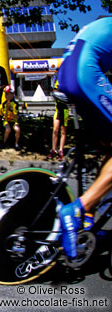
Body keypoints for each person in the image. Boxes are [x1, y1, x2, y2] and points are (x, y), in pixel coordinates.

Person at [56, 17, 112, 260]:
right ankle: (78, 209)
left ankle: (88, 215)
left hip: (67, 74)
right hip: (84, 73)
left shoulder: (100, 25)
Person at [47, 79, 68, 161]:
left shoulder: (67, 82)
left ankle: (61, 150)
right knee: (55, 130)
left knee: (63, 131)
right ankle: (53, 149)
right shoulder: (57, 81)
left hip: (65, 109)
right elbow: (55, 92)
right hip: (58, 109)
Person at [0, 86, 21, 150]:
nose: (6, 95)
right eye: (6, 94)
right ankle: (4, 142)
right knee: (8, 130)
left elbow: (16, 116)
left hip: (14, 121)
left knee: (17, 129)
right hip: (6, 120)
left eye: (8, 94)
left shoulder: (15, 104)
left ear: (12, 94)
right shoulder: (3, 104)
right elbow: (4, 116)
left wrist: (11, 109)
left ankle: (16, 144)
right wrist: (7, 109)